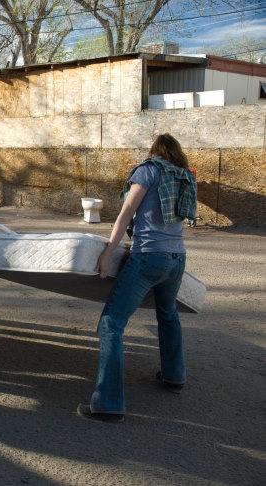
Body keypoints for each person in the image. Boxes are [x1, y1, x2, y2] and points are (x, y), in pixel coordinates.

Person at [77, 133, 197, 423]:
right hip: (176, 259)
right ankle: (174, 377)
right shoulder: (184, 176)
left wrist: (108, 252)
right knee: (168, 315)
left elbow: (127, 210)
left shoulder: (148, 170)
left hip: (148, 258)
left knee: (111, 324)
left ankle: (108, 404)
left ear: (155, 151)